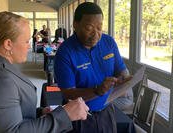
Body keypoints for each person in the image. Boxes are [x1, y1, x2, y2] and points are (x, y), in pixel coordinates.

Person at [0, 11, 89, 133]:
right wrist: (65, 115)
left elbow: (10, 113)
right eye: (26, 41)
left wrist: (41, 113)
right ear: (8, 44)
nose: (29, 46)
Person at [54, 2, 131, 133]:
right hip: (79, 116)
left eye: (100, 27)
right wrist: (97, 91)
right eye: (89, 28)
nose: (96, 34)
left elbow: (121, 70)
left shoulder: (108, 42)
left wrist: (124, 78)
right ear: (75, 25)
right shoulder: (65, 52)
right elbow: (68, 94)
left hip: (106, 110)